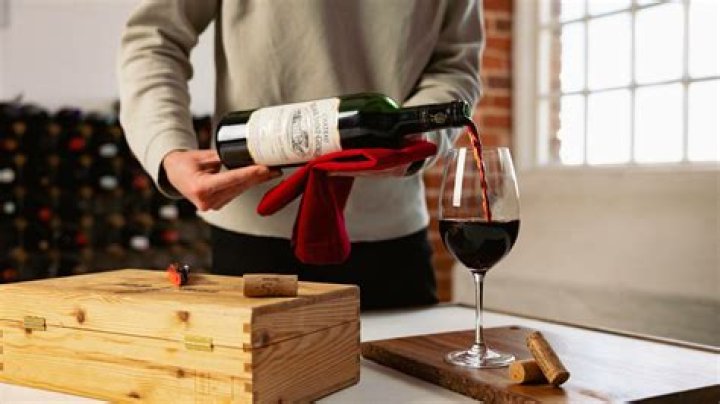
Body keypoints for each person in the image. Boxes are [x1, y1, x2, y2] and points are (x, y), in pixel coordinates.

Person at [118, 0, 483, 309]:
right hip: (255, 236)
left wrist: (416, 136)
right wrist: (169, 150)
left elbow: (454, 65)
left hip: (391, 239)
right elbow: (154, 38)